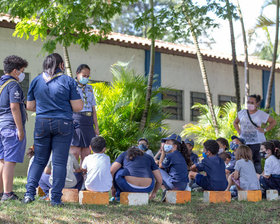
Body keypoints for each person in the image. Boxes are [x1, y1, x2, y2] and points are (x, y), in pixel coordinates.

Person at [22, 53, 83, 206]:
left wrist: (45, 107)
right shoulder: (68, 81)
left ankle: (29, 194)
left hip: (41, 123)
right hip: (63, 124)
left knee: (39, 160)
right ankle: (55, 199)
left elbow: (29, 106)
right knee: (59, 162)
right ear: (61, 65)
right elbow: (77, 106)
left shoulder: (36, 80)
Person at [0, 55, 28, 201]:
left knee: (2, 160)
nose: (22, 74)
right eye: (22, 71)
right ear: (16, 71)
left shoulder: (1, 83)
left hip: (1, 125)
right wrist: (20, 130)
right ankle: (8, 193)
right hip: (11, 126)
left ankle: (1, 192)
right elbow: (14, 107)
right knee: (10, 160)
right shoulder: (13, 85)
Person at [233, 94, 276, 174]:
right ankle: (245, 181)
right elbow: (235, 122)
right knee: (243, 162)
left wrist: (265, 129)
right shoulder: (242, 113)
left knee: (257, 163)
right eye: (248, 102)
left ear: (257, 104)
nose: (249, 104)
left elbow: (273, 122)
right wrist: (239, 131)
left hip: (257, 143)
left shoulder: (261, 114)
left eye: (252, 102)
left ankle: (258, 182)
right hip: (244, 142)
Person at [70, 64, 99, 164]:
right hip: (76, 119)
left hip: (88, 121)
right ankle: (73, 178)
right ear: (77, 74)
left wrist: (96, 127)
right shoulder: (71, 86)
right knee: (74, 152)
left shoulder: (90, 88)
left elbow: (93, 110)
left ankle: (83, 179)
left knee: (86, 154)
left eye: (88, 76)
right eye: (84, 75)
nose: (86, 78)